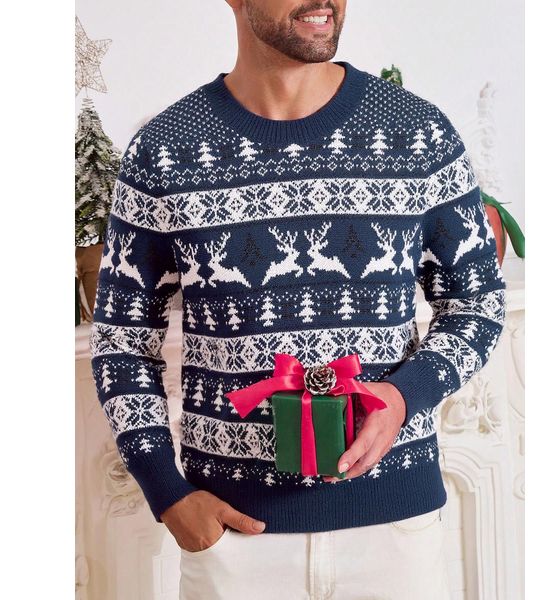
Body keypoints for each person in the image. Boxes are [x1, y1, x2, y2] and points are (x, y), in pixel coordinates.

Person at [89, 1, 506, 598]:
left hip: (395, 533)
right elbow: (123, 340)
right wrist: (167, 492)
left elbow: (477, 304)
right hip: (234, 542)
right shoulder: (165, 150)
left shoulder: (417, 134)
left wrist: (403, 395)